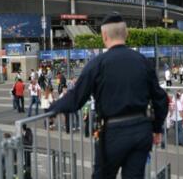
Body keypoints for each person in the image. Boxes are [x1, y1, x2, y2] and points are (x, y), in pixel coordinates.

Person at [47, 12, 168, 178]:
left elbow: (76, 98)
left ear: (104, 35)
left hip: (113, 134)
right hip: (142, 130)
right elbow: (160, 98)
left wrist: (52, 108)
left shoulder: (97, 64)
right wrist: (157, 128)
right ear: (126, 34)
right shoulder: (143, 61)